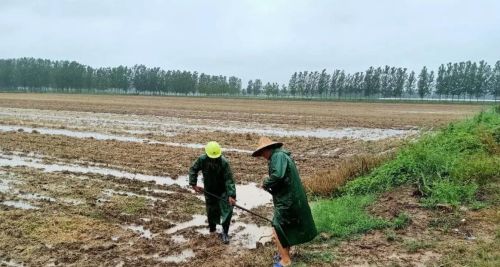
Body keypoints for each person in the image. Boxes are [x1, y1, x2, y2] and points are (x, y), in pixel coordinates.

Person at [252, 137, 317, 267]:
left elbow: (278, 176)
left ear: (267, 149)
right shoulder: (281, 156)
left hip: (288, 200)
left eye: (262, 153)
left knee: (277, 227)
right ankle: (284, 254)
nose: (263, 156)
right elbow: (281, 179)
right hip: (290, 198)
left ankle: (285, 261)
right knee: (284, 227)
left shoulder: (278, 156)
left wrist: (266, 182)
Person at [189, 141, 236, 244]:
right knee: (211, 211)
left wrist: (231, 195)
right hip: (209, 190)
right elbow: (193, 169)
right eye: (211, 157)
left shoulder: (224, 162)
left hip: (223, 191)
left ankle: (225, 233)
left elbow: (229, 179)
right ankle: (212, 231)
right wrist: (193, 184)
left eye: (215, 158)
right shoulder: (202, 159)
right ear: (207, 154)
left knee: (227, 211)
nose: (213, 159)